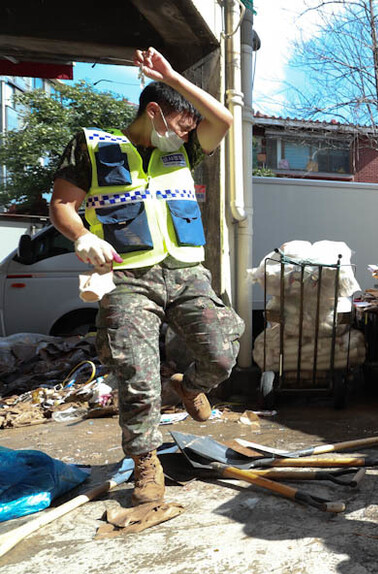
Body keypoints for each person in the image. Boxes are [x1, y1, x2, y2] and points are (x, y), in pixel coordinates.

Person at [49, 48, 244, 505]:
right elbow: (61, 206)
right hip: (127, 279)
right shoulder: (93, 147)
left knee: (220, 354)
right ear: (153, 112)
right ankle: (145, 462)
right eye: (180, 124)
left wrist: (174, 77)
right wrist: (80, 237)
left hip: (185, 273)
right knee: (136, 374)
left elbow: (224, 122)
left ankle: (190, 386)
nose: (186, 135)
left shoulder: (181, 151)